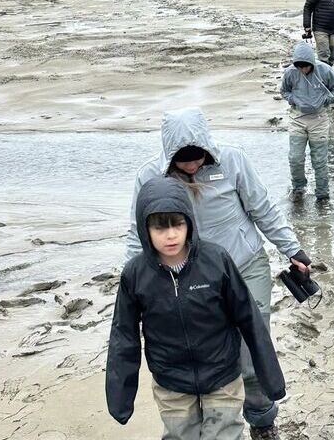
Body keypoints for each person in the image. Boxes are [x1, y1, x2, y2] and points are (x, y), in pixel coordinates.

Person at [125, 107, 311, 440]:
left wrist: (292, 250)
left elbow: (262, 208)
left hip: (244, 267)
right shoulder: (151, 176)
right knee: (204, 355)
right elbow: (136, 233)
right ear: (170, 156)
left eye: (198, 158)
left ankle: (262, 421)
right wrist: (135, 283)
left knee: (251, 353)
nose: (192, 165)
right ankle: (211, 423)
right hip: (190, 280)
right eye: (183, 161)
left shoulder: (234, 160)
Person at [107, 176, 286, 440]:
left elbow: (249, 317)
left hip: (222, 374)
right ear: (145, 229)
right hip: (171, 382)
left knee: (224, 434)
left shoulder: (216, 260)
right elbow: (124, 335)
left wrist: (270, 377)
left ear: (189, 221)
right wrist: (120, 396)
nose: (171, 235)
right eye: (159, 228)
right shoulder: (135, 274)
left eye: (178, 224)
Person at [280, 41, 334, 202]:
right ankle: (298, 188)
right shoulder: (290, 73)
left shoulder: (325, 70)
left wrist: (325, 101)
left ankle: (322, 194)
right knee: (295, 158)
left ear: (311, 63)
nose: (303, 70)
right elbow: (284, 91)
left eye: (306, 66)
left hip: (319, 120)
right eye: (299, 67)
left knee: (320, 160)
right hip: (297, 118)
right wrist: (293, 99)